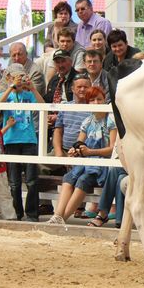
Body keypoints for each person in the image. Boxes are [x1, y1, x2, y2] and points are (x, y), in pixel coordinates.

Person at [48, 86, 116, 225]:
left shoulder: (110, 121)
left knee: (83, 180)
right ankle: (57, 216)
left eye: (99, 99)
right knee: (69, 177)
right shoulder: (87, 121)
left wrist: (90, 152)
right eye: (92, 100)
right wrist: (75, 150)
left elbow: (112, 149)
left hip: (102, 165)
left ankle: (63, 218)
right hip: (88, 162)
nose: (96, 103)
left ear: (104, 101)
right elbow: (79, 142)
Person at [0, 63, 44, 222]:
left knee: (32, 179)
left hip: (29, 139)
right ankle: (16, 214)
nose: (20, 80)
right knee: (14, 181)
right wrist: (11, 87)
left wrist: (32, 88)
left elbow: (43, 106)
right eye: (16, 77)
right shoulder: (5, 94)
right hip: (11, 140)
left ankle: (32, 214)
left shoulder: (29, 94)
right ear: (9, 78)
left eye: (21, 76)